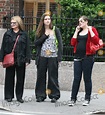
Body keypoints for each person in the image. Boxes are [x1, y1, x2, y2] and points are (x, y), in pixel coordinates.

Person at [68, 15, 103, 106]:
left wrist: (90, 30)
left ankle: (87, 98)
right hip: (77, 57)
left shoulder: (92, 30)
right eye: (79, 21)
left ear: (86, 21)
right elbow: (72, 42)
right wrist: (76, 31)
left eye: (82, 21)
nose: (80, 23)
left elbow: (96, 41)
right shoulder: (79, 31)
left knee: (87, 78)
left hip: (88, 57)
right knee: (76, 79)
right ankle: (73, 99)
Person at [0, 16, 31, 103]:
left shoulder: (24, 34)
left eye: (14, 23)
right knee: (9, 77)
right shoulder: (8, 34)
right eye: (11, 23)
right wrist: (1, 59)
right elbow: (3, 47)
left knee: (20, 78)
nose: (12, 24)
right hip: (10, 58)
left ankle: (19, 96)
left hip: (20, 58)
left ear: (19, 23)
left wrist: (27, 59)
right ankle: (8, 96)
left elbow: (27, 47)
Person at [34, 11, 63, 103]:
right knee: (41, 76)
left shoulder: (55, 30)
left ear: (51, 21)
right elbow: (36, 43)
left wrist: (59, 57)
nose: (47, 20)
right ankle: (40, 95)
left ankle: (54, 95)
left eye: (49, 19)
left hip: (53, 57)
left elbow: (60, 44)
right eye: (45, 19)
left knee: (53, 76)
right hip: (42, 57)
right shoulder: (40, 31)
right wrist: (44, 36)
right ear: (42, 21)